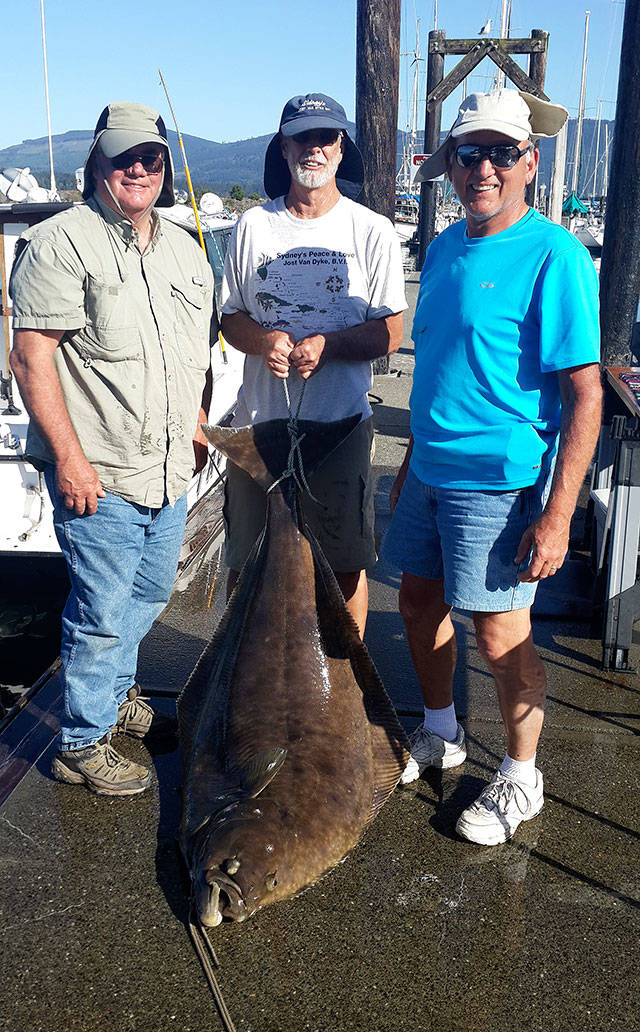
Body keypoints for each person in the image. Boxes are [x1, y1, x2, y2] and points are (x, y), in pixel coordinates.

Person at [383, 89, 602, 845]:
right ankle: (441, 730)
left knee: (501, 632)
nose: (484, 167)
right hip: (430, 470)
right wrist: (410, 463)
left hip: (501, 481)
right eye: (469, 153)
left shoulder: (558, 255)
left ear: (529, 163)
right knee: (416, 602)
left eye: (502, 152)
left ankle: (521, 775)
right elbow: (438, 370)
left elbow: (585, 394)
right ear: (449, 167)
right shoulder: (443, 248)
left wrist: (558, 513)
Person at [10, 102, 216, 796]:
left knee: (150, 592)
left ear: (163, 164)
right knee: (100, 612)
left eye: (150, 158)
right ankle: (81, 741)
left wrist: (195, 422)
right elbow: (31, 358)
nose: (138, 169)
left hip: (168, 471)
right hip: (99, 473)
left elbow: (190, 355)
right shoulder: (62, 242)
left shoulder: (186, 249)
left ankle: (116, 698)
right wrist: (68, 459)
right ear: (98, 162)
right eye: (123, 157)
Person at [220, 93, 407, 636]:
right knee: (245, 561)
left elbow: (390, 333)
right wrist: (264, 340)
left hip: (342, 425)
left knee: (345, 565)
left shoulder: (372, 230)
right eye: (303, 138)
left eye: (326, 138)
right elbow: (230, 318)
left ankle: (346, 689)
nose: (315, 148)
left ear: (342, 147)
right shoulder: (252, 225)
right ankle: (242, 686)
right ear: (283, 148)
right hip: (260, 425)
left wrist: (328, 345)